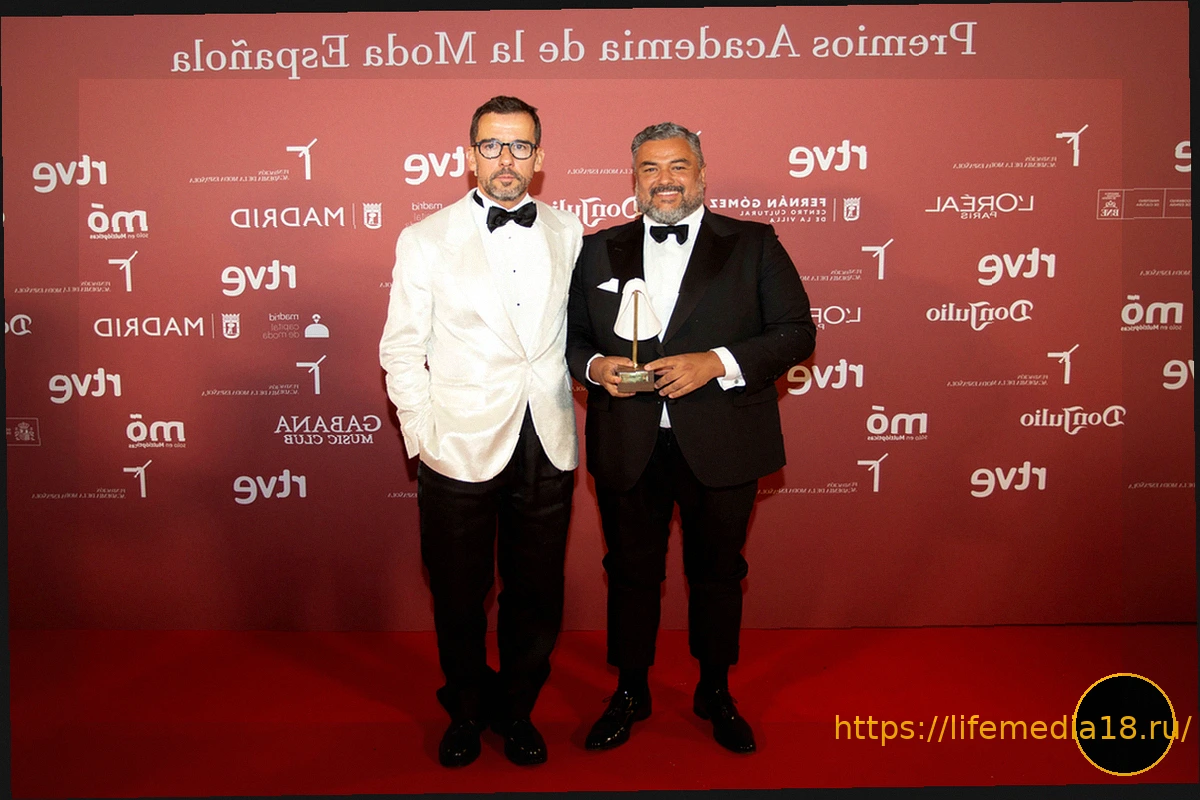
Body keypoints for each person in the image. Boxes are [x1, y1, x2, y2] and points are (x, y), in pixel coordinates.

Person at [566, 121, 816, 754]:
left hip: (724, 440)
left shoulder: (753, 243)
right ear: (634, 179)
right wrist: (594, 369)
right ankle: (630, 690)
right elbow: (571, 339)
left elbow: (795, 332)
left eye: (678, 166)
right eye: (650, 168)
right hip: (629, 443)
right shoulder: (597, 249)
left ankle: (715, 690)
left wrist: (717, 362)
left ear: (702, 174)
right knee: (629, 573)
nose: (665, 180)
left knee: (718, 573)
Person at [379, 96, 583, 768]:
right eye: (492, 145)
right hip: (457, 444)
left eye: (520, 146)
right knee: (459, 592)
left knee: (536, 591)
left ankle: (517, 709)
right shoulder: (425, 238)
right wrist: (424, 436)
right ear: (470, 156)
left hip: (546, 437)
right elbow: (401, 349)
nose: (506, 159)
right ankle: (466, 709)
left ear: (539, 158)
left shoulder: (569, 231)